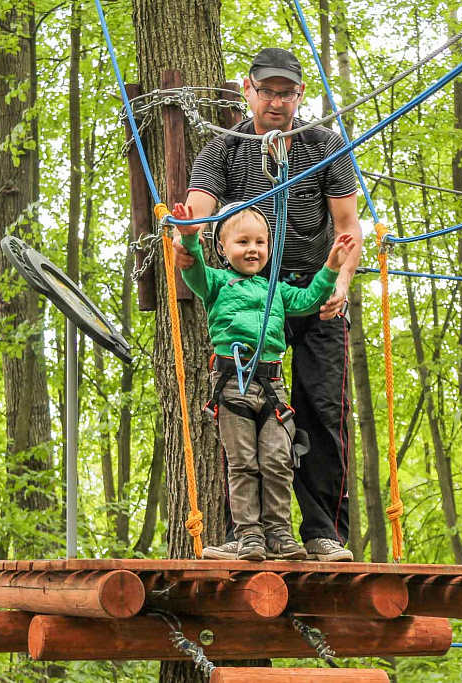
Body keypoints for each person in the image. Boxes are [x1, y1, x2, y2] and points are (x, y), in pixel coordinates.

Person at [173, 47, 362, 562]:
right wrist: (188, 237)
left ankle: (323, 533)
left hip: (314, 292)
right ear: (248, 90)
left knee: (323, 410)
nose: (276, 102)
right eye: (267, 91)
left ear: (300, 95)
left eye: (287, 93)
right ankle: (246, 536)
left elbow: (348, 227)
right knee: (241, 413)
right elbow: (198, 213)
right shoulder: (224, 149)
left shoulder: (325, 145)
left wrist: (340, 283)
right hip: (250, 299)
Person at [172, 201, 355, 560]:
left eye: (260, 242)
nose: (253, 250)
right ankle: (249, 535)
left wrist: (331, 266)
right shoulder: (217, 283)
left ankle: (278, 533)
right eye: (242, 242)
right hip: (233, 385)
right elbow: (193, 273)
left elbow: (309, 300)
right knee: (242, 463)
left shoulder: (277, 290)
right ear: (222, 247)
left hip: (272, 388)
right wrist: (191, 239)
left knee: (277, 460)